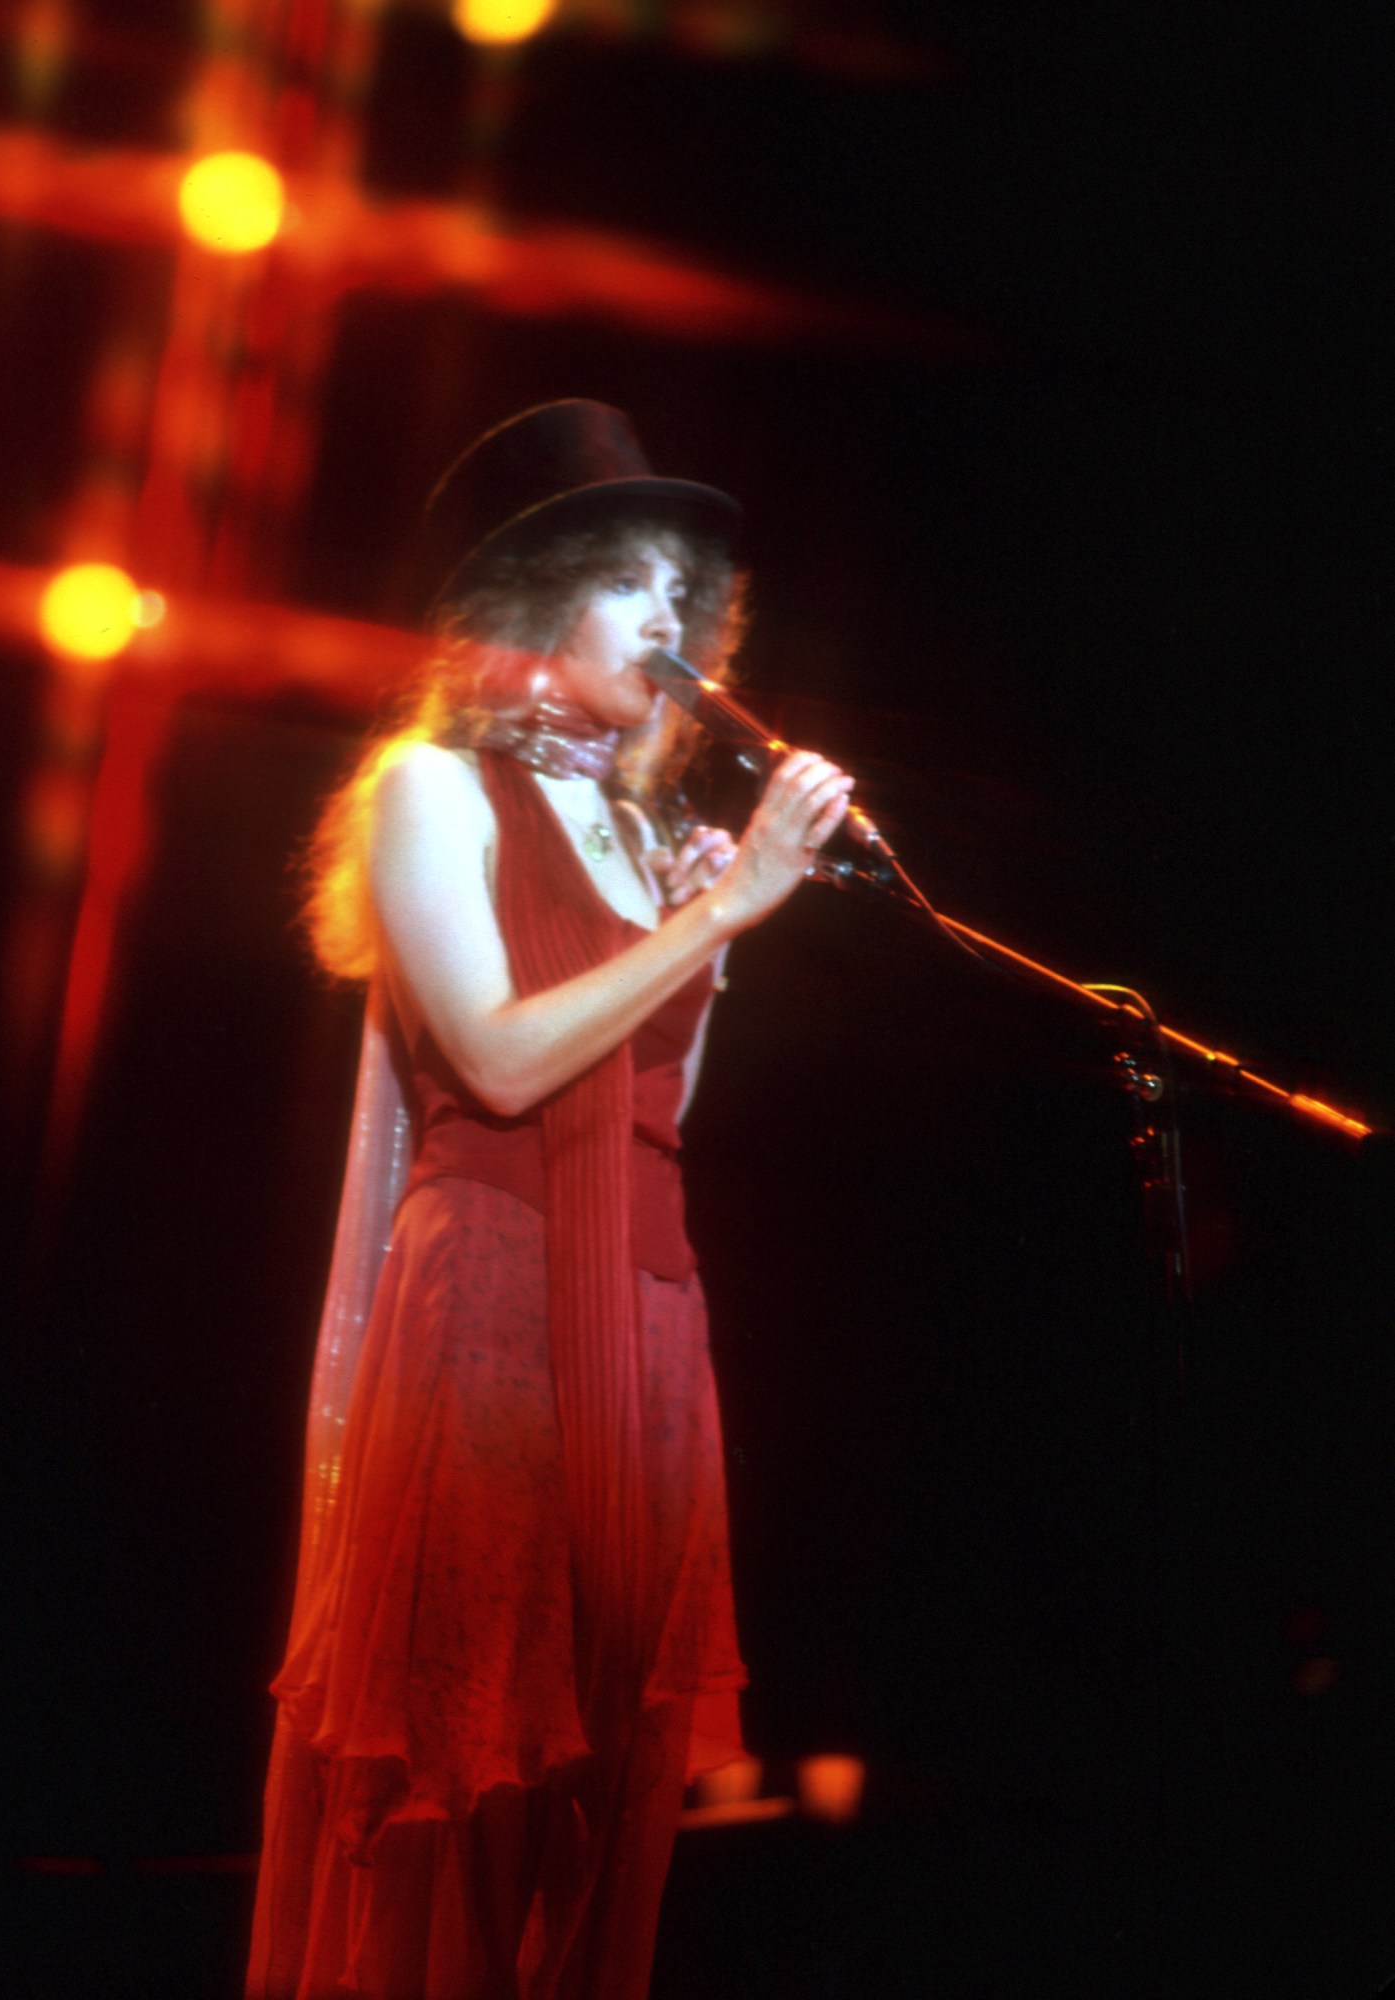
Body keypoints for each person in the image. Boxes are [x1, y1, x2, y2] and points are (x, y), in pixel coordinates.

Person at [246, 400, 851, 2000]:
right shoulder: (430, 791)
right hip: (497, 1306)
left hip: (651, 1312)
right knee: (471, 1760)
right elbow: (506, 1067)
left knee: (603, 1774)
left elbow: (654, 1118)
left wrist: (703, 951)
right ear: (534, 602)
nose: (673, 621)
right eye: (631, 582)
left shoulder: (644, 825)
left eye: (685, 591)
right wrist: (726, 904)